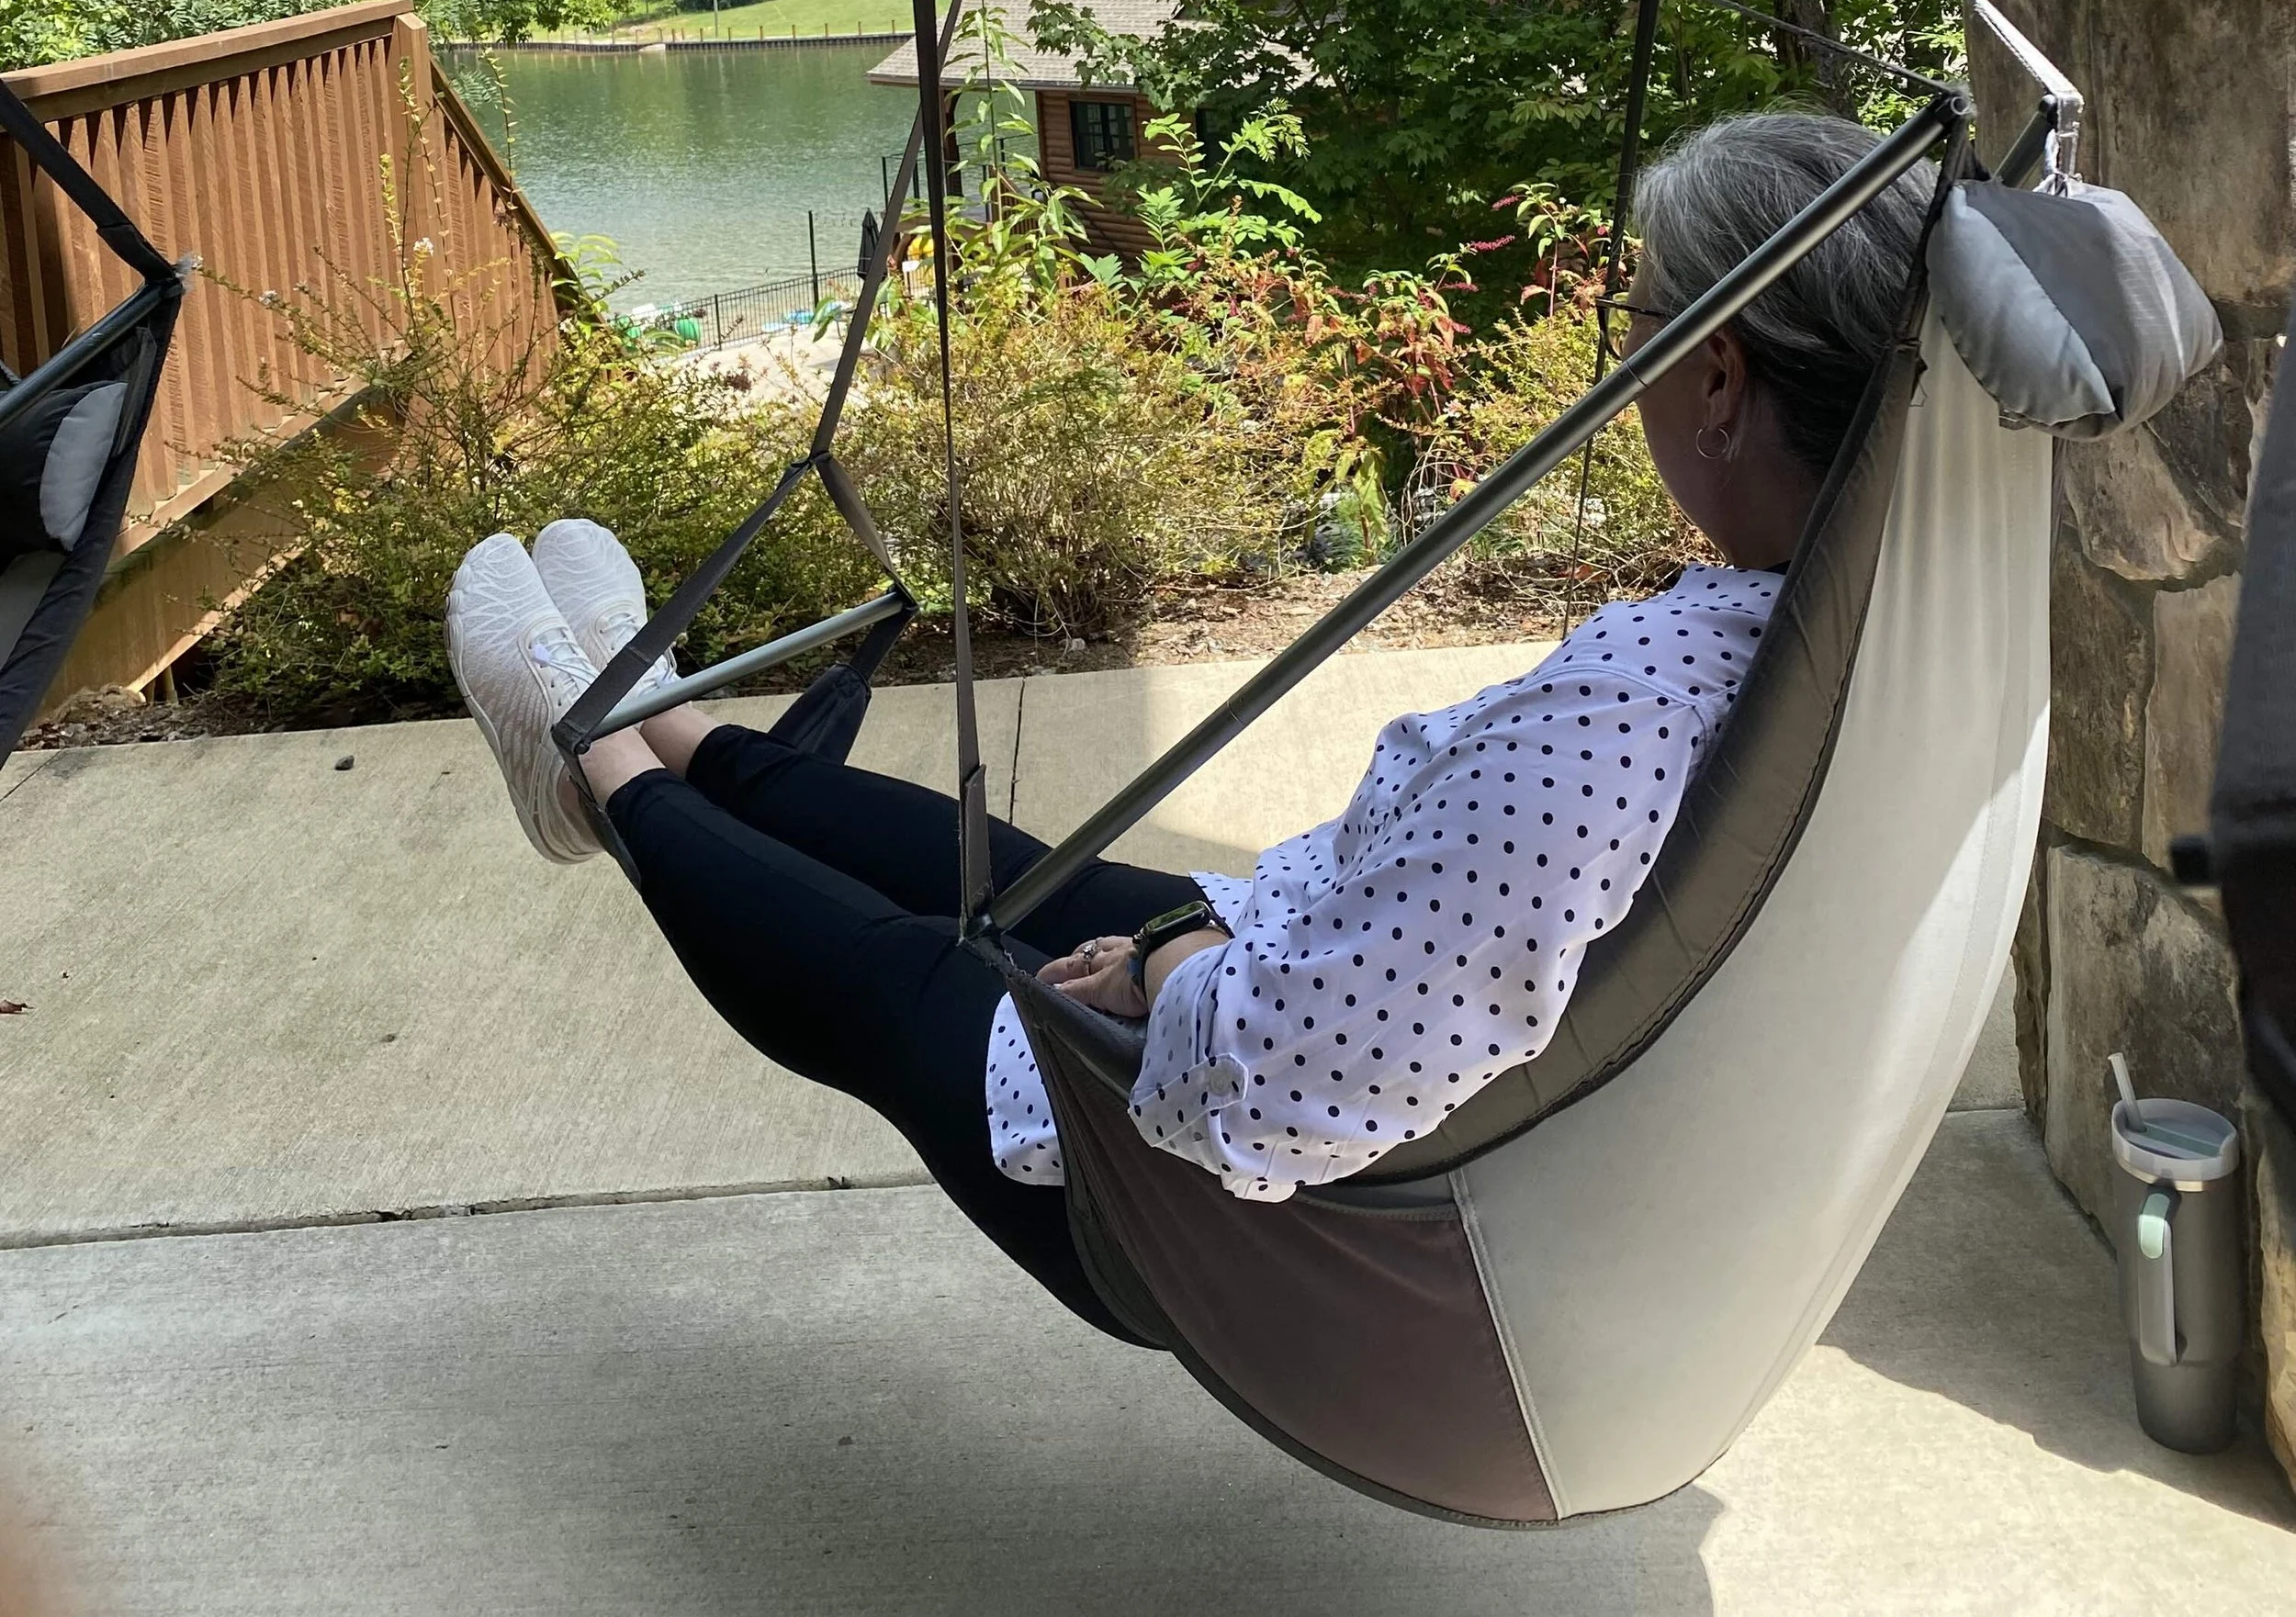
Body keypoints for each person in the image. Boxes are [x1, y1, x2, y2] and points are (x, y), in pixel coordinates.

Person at [445, 109, 1925, 1342]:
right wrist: (1190, 943)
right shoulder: (1840, 635)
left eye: (1645, 322)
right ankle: (670, 733)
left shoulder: (1620, 730)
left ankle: (596, 756)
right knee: (1002, 866)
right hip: (1293, 951)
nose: (1630, 358)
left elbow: (1308, 1076)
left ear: (1719, 380)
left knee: (902, 971)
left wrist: (1171, 974)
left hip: (1213, 1208)